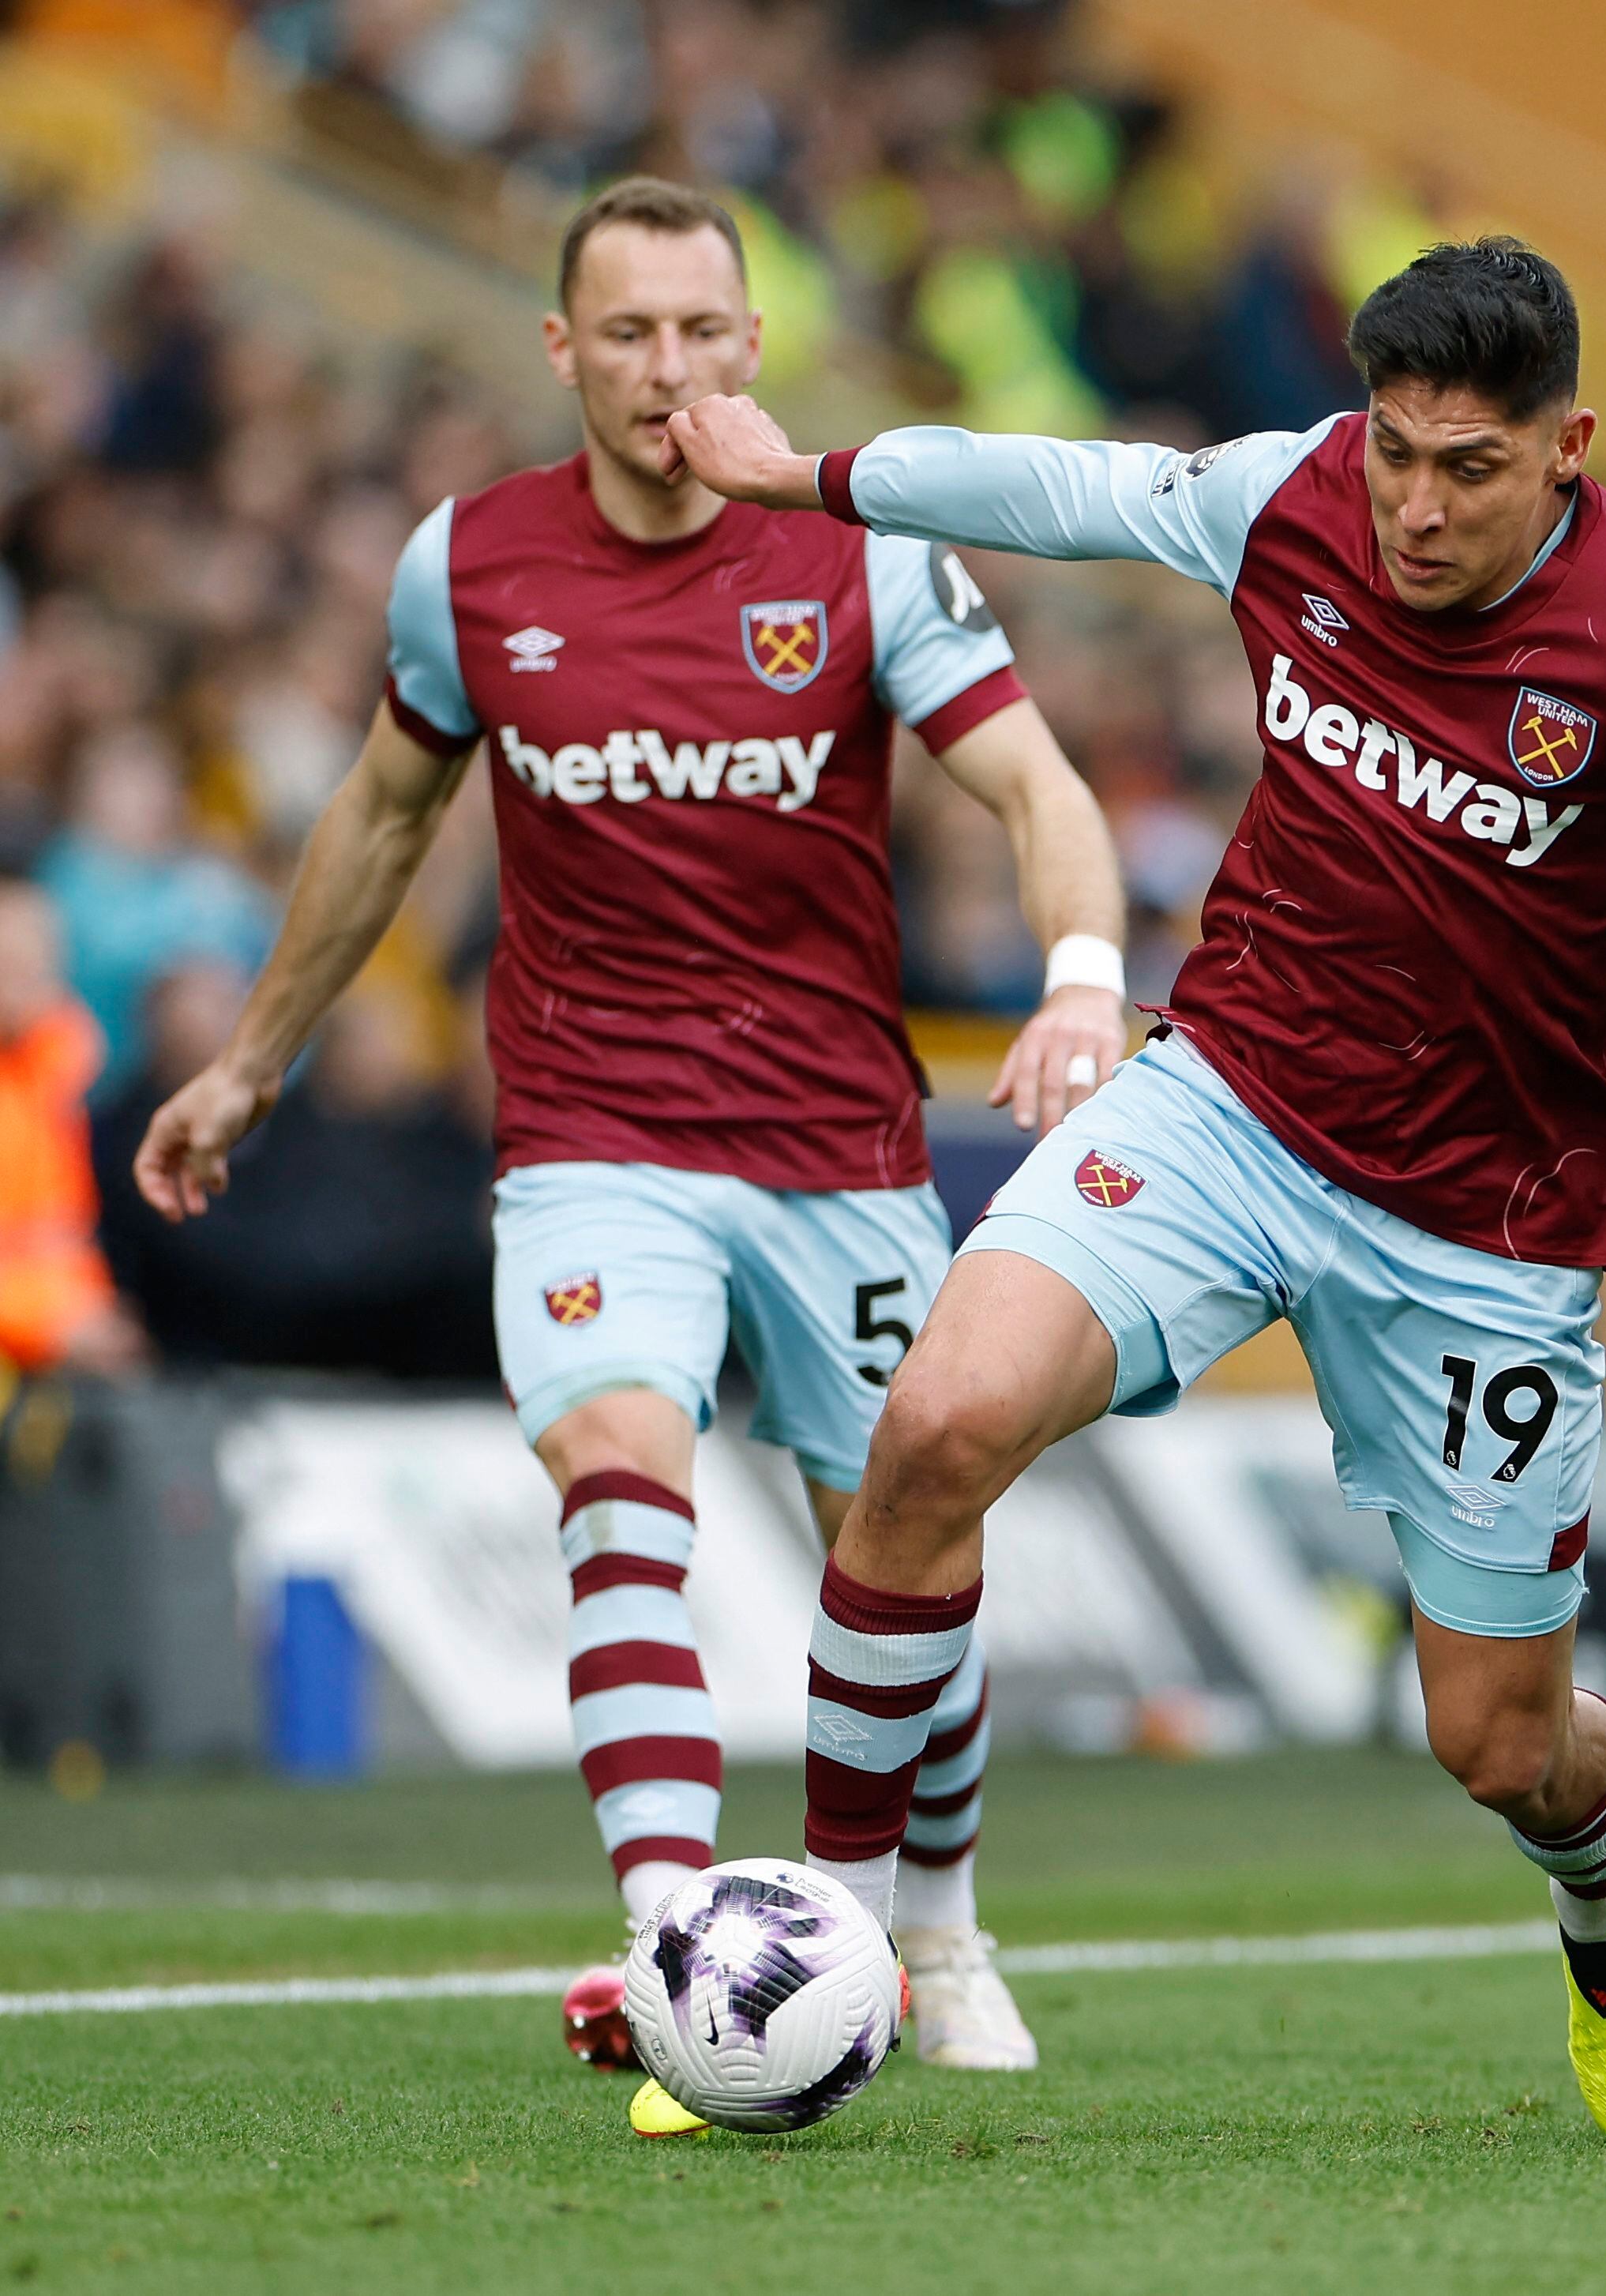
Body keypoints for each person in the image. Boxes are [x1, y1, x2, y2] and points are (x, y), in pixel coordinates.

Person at [659, 236, 1606, 2142]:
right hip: (1226, 1103)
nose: (1415, 505)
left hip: (1487, 1231)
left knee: (1501, 1740)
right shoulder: (1291, 498)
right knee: (934, 1428)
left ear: (1570, 447)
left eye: (1468, 464)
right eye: (1395, 453)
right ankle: (827, 1949)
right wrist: (798, 473)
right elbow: (1064, 489)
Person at [130, 178, 1131, 2125]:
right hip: (593, 1132)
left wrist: (1082, 980)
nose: (665, 367)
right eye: (627, 332)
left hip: (836, 1140)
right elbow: (379, 818)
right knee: (614, 1471)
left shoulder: (860, 558)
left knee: (904, 1540)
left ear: (754, 345)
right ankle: (684, 1949)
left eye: (699, 329)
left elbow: (1035, 782)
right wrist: (255, 1061)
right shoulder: (469, 564)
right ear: (561, 349)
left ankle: (937, 1923)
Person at [0, 878, 146, 1380]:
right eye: (8, 957)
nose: (25, 973)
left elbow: (56, 1235)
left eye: (38, 955)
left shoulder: (57, 1080)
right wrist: (52, 1328)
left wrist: (89, 1311)